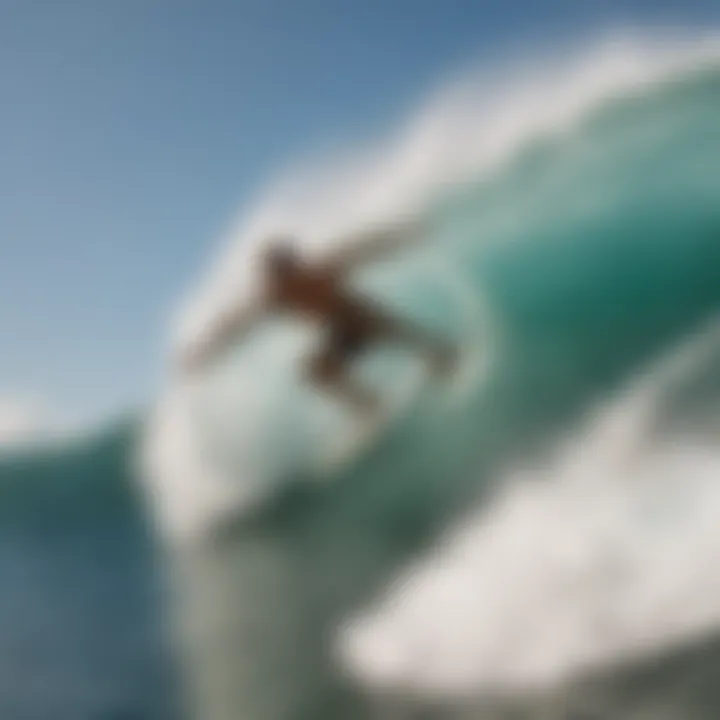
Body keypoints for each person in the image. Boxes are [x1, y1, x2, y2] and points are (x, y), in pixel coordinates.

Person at [182, 220, 456, 416]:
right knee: (315, 371)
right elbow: (236, 325)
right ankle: (369, 405)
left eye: (285, 267)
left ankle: (442, 356)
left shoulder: (318, 271)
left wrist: (403, 236)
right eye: (277, 271)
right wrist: (205, 353)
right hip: (340, 330)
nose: (284, 275)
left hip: (360, 315)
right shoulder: (275, 298)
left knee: (398, 336)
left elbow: (362, 250)